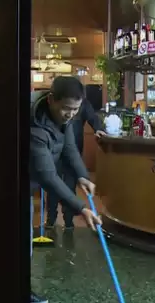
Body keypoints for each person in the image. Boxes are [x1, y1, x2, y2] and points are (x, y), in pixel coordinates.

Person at [29, 76, 102, 303]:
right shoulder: (35, 127)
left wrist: (82, 175)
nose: (70, 114)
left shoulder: (63, 117)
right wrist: (81, 208)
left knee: (21, 247)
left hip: (27, 183)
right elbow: (49, 177)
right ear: (51, 99)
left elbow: (70, 148)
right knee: (12, 244)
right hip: (8, 184)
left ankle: (21, 292)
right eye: (66, 108)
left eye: (75, 109)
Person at [45, 93, 106, 230]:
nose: (71, 112)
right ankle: (51, 219)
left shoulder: (83, 104)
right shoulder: (56, 105)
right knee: (52, 185)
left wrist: (99, 129)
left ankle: (68, 221)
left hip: (74, 152)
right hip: (54, 149)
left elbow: (93, 118)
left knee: (70, 185)